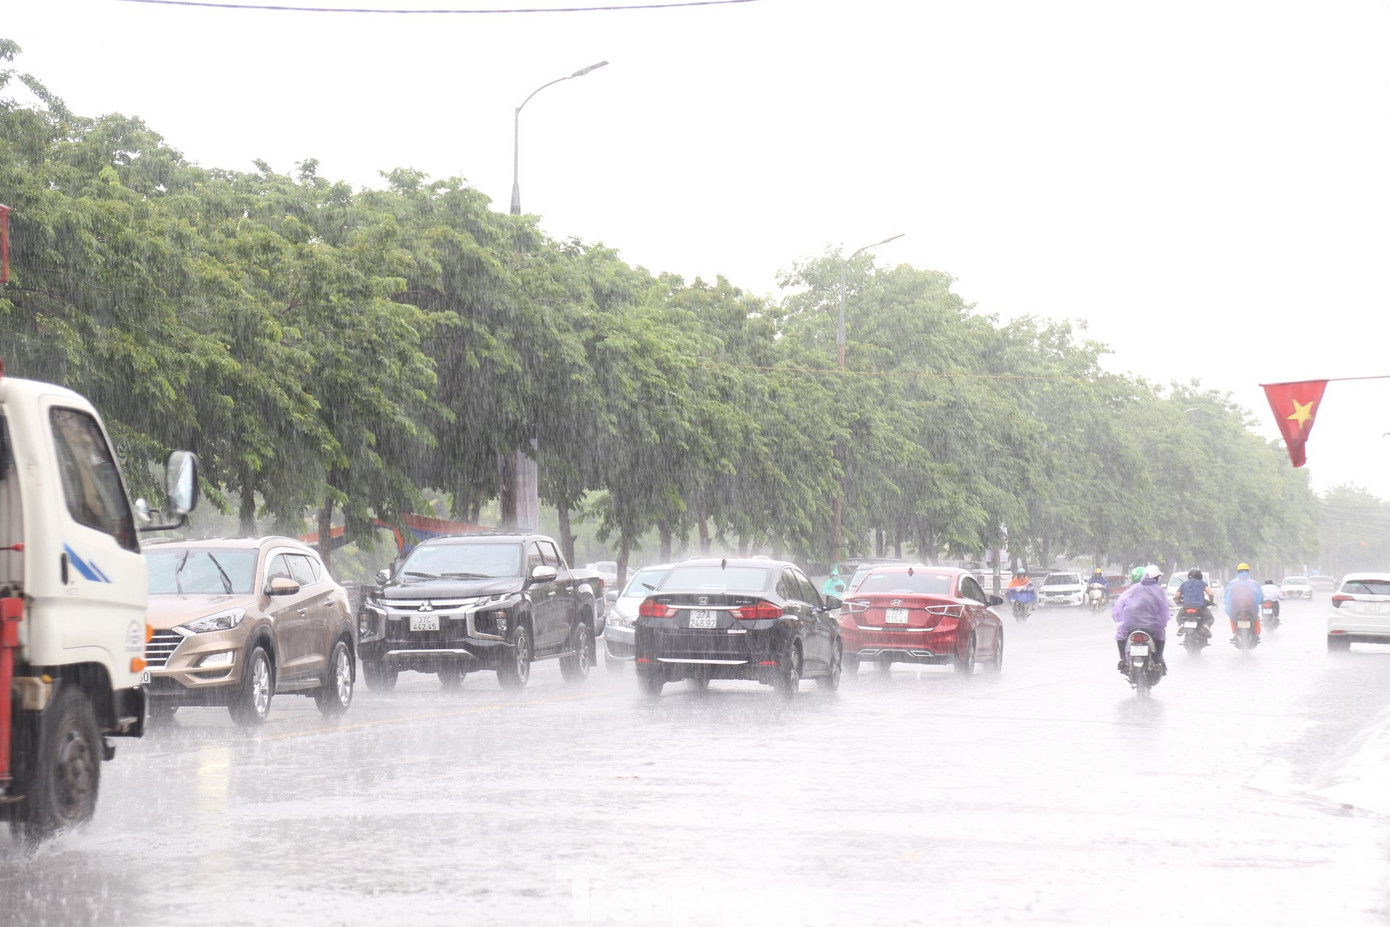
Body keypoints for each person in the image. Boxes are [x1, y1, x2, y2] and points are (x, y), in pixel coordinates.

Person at [1111, 564, 1171, 672]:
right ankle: (1158, 660)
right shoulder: (1159, 591)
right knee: (1161, 636)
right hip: (1152, 627)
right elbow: (1164, 610)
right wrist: (1163, 623)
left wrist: (1118, 618)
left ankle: (1123, 659)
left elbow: (1119, 605)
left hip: (1130, 625)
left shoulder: (1133, 588)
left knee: (1120, 635)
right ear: (1157, 578)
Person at [1224, 563, 1263, 641]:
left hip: (1235, 609)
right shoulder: (1254, 583)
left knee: (1232, 618)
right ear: (1248, 571)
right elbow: (1260, 596)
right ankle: (1257, 633)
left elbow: (1226, 596)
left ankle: (1235, 633)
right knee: (1256, 618)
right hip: (1251, 609)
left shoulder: (1232, 583)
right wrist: (1259, 602)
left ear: (1238, 572)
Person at [1173, 568, 1215, 638]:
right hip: (1200, 607)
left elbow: (1177, 595)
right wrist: (1211, 602)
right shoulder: (1202, 583)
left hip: (1186, 607)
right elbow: (1210, 594)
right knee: (1210, 618)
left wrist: (1180, 601)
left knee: (1179, 617)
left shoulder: (1184, 584)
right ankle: (1206, 626)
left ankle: (1181, 625)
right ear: (1200, 576)